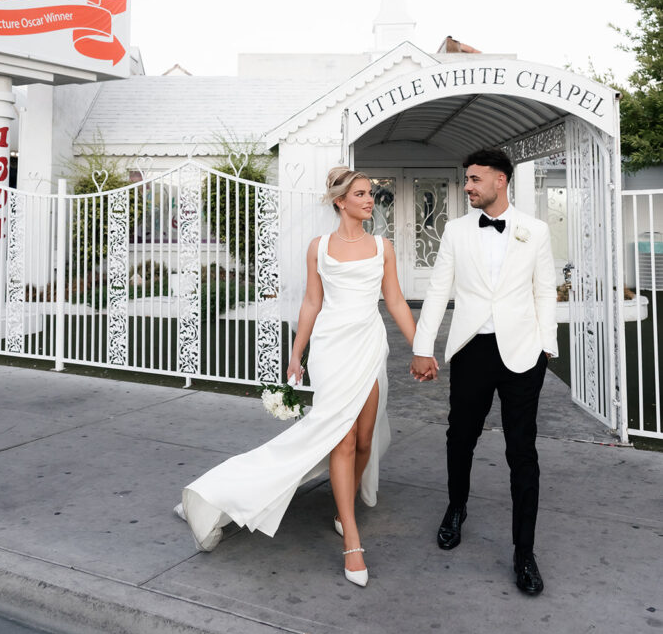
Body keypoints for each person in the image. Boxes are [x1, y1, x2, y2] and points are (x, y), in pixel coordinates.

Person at [177, 166, 430, 587]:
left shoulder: (383, 247)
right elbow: (312, 302)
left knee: (364, 439)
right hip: (331, 348)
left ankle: (341, 506)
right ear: (340, 201)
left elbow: (397, 300)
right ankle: (351, 538)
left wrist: (420, 347)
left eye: (371, 193)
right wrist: (297, 353)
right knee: (341, 438)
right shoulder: (320, 247)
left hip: (368, 343)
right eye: (362, 194)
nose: (370, 200)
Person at [411, 148, 558, 596]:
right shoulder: (456, 231)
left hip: (521, 354)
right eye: (466, 179)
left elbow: (545, 292)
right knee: (461, 437)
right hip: (472, 350)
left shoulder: (536, 231)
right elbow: (438, 291)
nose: (468, 186)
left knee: (522, 453)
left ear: (500, 181)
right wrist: (423, 347)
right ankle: (456, 508)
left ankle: (524, 552)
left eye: (475, 179)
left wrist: (545, 348)